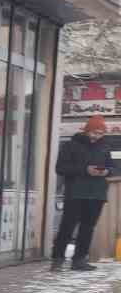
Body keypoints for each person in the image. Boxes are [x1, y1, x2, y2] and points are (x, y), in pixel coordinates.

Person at [51, 116, 114, 272]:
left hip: (97, 194)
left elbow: (113, 167)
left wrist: (107, 171)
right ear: (86, 130)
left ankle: (79, 260)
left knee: (88, 228)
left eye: (100, 133)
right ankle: (57, 259)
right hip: (75, 192)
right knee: (67, 226)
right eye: (94, 132)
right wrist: (85, 170)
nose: (96, 136)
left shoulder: (104, 147)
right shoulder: (70, 145)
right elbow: (61, 168)